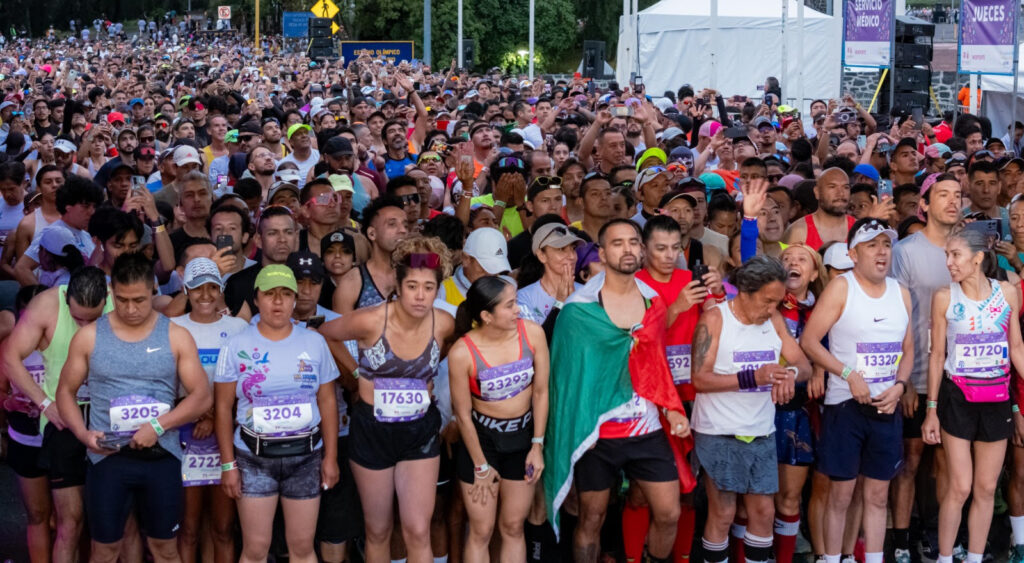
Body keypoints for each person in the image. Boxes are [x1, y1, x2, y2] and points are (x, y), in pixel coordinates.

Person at [544, 219, 695, 563]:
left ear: (642, 250)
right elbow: (566, 380)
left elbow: (655, 363)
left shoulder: (653, 303)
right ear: (601, 252)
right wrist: (578, 427)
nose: (627, 249)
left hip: (647, 428)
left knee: (669, 512)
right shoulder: (578, 311)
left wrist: (671, 409)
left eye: (633, 242)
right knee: (591, 518)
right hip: (598, 434)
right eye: (617, 243)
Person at [55, 252, 212, 563]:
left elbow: (202, 396)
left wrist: (158, 426)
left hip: (161, 458)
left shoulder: (175, 335)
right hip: (108, 460)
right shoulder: (89, 337)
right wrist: (84, 434)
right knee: (105, 551)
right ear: (112, 292)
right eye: (123, 299)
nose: (130, 309)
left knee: (165, 550)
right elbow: (65, 392)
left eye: (139, 300)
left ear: (153, 290)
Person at [320, 235, 455, 563]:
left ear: (438, 290)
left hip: (419, 431)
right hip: (372, 430)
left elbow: (450, 350)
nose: (420, 296)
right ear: (397, 284)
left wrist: (426, 378)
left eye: (428, 287)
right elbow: (326, 334)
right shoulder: (371, 319)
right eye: (412, 286)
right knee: (378, 529)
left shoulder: (444, 324)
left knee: (417, 530)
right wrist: (354, 375)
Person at [800, 218, 914, 563]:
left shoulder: (901, 292)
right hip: (845, 407)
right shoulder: (842, 288)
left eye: (886, 244)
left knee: (878, 496)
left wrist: (899, 386)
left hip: (886, 407)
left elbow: (908, 350)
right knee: (841, 495)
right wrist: (848, 374)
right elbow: (809, 341)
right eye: (871, 245)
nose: (881, 252)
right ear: (853, 253)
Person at [214, 265, 340, 563]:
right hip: (253, 457)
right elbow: (222, 407)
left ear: (295, 298)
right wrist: (228, 465)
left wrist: (331, 458)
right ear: (256, 299)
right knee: (256, 549)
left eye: (285, 294)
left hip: (306, 457)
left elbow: (327, 400)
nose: (278, 302)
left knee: (302, 548)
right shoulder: (236, 345)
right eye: (269, 294)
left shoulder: (314, 342)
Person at [690, 255, 811, 563]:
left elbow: (804, 366)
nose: (772, 308)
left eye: (777, 301)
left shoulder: (774, 320)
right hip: (719, 431)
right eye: (767, 301)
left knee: (763, 511)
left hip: (761, 431)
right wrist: (753, 377)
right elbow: (699, 379)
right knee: (723, 513)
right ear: (744, 292)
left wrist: (789, 376)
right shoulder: (715, 319)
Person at [921, 228, 1024, 563]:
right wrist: (931, 409)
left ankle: (975, 558)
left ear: (978, 258)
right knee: (960, 486)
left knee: (985, 488)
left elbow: (1016, 348)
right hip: (958, 397)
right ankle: (946, 556)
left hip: (996, 397)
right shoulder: (944, 297)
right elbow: (937, 356)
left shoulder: (1008, 293)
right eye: (947, 256)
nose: (949, 263)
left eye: (956, 256)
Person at [1, 268, 113, 563]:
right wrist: (44, 403)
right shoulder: (47, 304)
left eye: (94, 319)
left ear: (106, 300)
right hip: (63, 421)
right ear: (67, 300)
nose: (86, 326)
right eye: (78, 319)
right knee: (70, 522)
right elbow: (10, 356)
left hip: (107, 420)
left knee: (110, 521)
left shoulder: (121, 300)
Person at [448, 275, 550, 561]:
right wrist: (480, 465)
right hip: (481, 442)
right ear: (486, 316)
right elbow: (463, 416)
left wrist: (537, 446)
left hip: (522, 438)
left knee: (513, 526)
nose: (517, 310)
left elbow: (541, 392)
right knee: (481, 530)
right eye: (509, 305)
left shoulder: (532, 333)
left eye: (515, 302)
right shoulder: (461, 352)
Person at [888, 174, 962, 562]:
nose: (952, 201)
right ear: (926, 205)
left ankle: (940, 535)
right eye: (943, 195)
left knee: (949, 463)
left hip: (959, 377)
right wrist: (906, 379)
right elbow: (896, 316)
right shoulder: (905, 251)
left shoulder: (970, 250)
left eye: (957, 195)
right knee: (911, 460)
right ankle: (901, 539)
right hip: (916, 375)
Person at [170, 257, 248, 563]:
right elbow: (167, 384)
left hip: (226, 435)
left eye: (212, 287)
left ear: (221, 290)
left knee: (223, 527)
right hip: (185, 433)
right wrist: (201, 414)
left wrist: (215, 417)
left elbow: (247, 382)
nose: (205, 295)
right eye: (197, 288)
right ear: (186, 290)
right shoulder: (174, 327)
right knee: (187, 527)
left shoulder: (239, 328)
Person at [0, 285, 50, 562]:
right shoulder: (10, 347)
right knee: (38, 515)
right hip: (25, 439)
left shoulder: (68, 340)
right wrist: (11, 404)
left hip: (61, 439)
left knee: (72, 517)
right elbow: (1, 393)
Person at [333, 195, 408, 313]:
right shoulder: (352, 283)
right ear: (372, 233)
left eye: (405, 225)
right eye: (392, 224)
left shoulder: (415, 274)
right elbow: (339, 329)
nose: (403, 230)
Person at [783, 168, 856, 250]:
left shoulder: (860, 230)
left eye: (845, 187)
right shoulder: (797, 232)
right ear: (817, 192)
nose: (841, 193)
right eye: (832, 187)